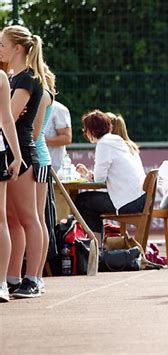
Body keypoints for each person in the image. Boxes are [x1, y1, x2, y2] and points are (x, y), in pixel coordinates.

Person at [0, 25, 46, 298]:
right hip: (8, 151)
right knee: (12, 219)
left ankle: (34, 278)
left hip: (24, 154)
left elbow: (10, 116)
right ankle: (13, 276)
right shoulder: (11, 77)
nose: (0, 48)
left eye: (3, 44)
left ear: (18, 47)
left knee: (29, 217)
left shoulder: (27, 79)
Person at [75, 110, 146, 240]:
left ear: (91, 130)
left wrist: (87, 175)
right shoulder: (118, 141)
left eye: (85, 130)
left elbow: (99, 179)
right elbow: (101, 178)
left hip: (129, 201)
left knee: (83, 201)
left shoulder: (104, 144)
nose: (85, 133)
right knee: (87, 201)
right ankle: (98, 245)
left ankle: (96, 246)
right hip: (140, 198)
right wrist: (88, 174)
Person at [32, 64, 56, 294]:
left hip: (38, 159)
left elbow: (35, 132)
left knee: (37, 218)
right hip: (35, 157)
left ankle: (37, 276)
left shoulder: (42, 94)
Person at [0, 70, 22, 303]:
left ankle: (1, 283)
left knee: (0, 218)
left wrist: (16, 155)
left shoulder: (1, 78)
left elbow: (6, 118)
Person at [44, 100, 72, 172]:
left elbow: (67, 138)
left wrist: (40, 141)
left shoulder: (58, 109)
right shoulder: (28, 104)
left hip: (56, 168)